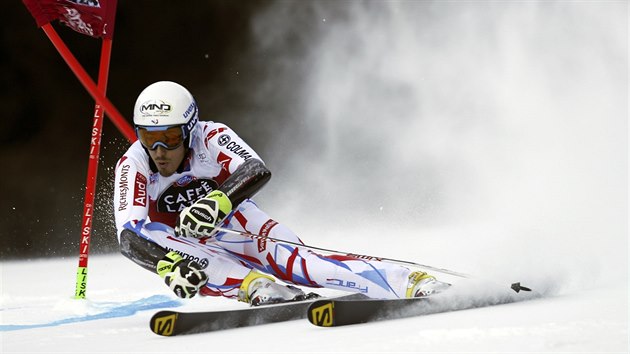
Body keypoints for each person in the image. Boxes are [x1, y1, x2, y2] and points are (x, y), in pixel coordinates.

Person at [113, 81, 449, 305]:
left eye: (170, 138)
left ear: (189, 129)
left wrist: (218, 201)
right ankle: (255, 286)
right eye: (147, 136)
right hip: (185, 243)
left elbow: (255, 169)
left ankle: (408, 281)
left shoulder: (211, 135)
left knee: (305, 266)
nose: (158, 149)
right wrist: (165, 266)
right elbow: (129, 236)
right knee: (152, 231)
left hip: (234, 224)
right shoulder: (133, 164)